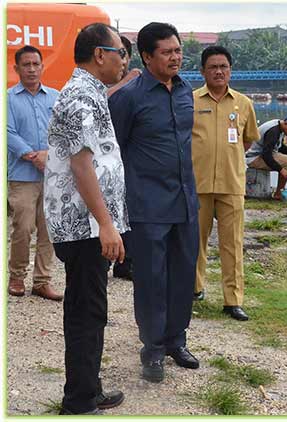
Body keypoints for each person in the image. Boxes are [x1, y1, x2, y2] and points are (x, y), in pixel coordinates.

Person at [109, 22, 200, 383]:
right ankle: (153, 349)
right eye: (167, 51)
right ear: (147, 57)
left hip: (185, 201)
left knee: (182, 276)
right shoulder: (128, 98)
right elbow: (113, 151)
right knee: (150, 280)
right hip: (147, 205)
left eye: (178, 50)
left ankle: (177, 340)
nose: (175, 57)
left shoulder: (185, 90)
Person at [43, 22, 127, 415]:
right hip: (83, 227)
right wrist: (106, 224)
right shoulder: (79, 96)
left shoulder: (90, 93)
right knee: (86, 311)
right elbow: (81, 165)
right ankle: (78, 399)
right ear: (99, 55)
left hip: (87, 224)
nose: (123, 60)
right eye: (119, 53)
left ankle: (88, 388)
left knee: (91, 306)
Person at [191, 46, 260, 321]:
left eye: (224, 67)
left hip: (232, 184)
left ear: (230, 70)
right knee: (195, 242)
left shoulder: (243, 103)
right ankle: (194, 289)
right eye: (213, 67)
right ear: (203, 71)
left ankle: (233, 301)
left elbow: (248, 139)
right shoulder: (191, 100)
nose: (219, 71)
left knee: (233, 244)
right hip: (198, 183)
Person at [7, 45, 62, 301]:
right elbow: (7, 133)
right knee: (23, 227)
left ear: (42, 66)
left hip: (52, 176)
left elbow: (64, 133)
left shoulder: (55, 97)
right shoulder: (7, 99)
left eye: (35, 64)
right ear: (16, 68)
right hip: (22, 176)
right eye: (26, 64)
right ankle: (16, 276)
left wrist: (49, 157)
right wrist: (34, 156)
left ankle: (42, 281)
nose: (31, 69)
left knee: (48, 229)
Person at [107, 34, 142, 280]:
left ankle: (125, 261)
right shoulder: (102, 80)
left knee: (129, 208)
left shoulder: (138, 83)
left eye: (123, 54)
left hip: (129, 156)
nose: (120, 60)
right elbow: (101, 99)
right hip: (105, 157)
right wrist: (126, 82)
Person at [245, 113, 287, 200]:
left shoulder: (278, 127)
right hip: (253, 158)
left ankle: (278, 193)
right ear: (286, 124)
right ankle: (278, 194)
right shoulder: (273, 131)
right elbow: (266, 155)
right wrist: (281, 170)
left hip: (259, 155)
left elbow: (277, 146)